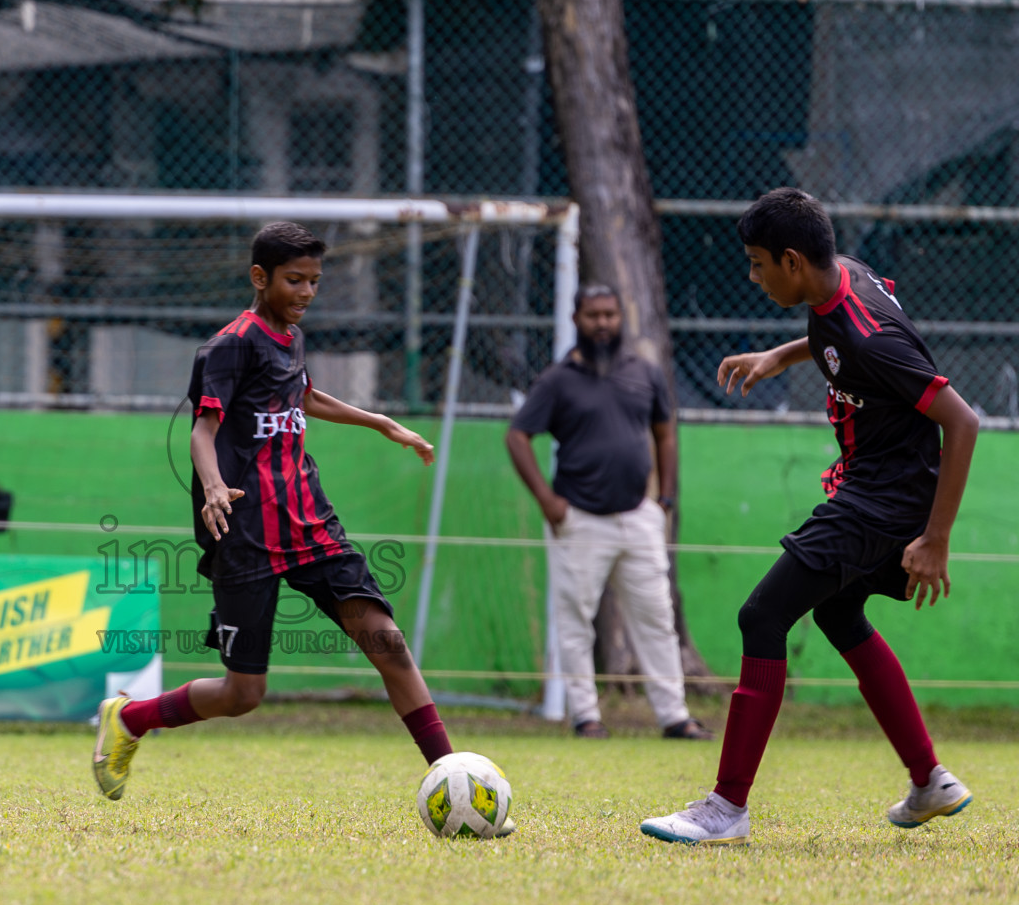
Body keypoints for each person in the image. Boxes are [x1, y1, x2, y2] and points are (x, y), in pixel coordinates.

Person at [641, 187, 978, 846]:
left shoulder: (871, 337)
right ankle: (929, 780)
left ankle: (726, 809)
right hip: (881, 488)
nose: (753, 275)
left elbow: (962, 422)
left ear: (792, 260)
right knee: (837, 611)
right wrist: (781, 356)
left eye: (758, 263)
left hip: (883, 499)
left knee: (761, 616)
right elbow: (832, 335)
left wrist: (936, 539)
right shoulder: (841, 276)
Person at [91, 221, 457, 800]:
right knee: (244, 695)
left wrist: (380, 422)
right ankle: (130, 720)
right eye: (295, 281)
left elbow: (303, 395)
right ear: (260, 277)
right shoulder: (230, 346)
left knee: (388, 644)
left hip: (311, 523)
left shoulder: (291, 336)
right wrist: (213, 487)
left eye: (314, 281)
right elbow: (202, 431)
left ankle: (451, 776)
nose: (307, 293)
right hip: (247, 533)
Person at [506, 284, 711, 741]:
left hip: (639, 516)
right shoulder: (558, 380)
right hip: (578, 518)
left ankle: (675, 717)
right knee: (576, 618)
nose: (603, 323)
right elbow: (517, 436)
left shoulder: (645, 372)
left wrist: (666, 500)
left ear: (622, 318)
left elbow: (666, 433)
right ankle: (586, 717)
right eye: (593, 315)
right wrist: (546, 499)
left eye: (610, 315)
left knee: (657, 616)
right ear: (577, 319)